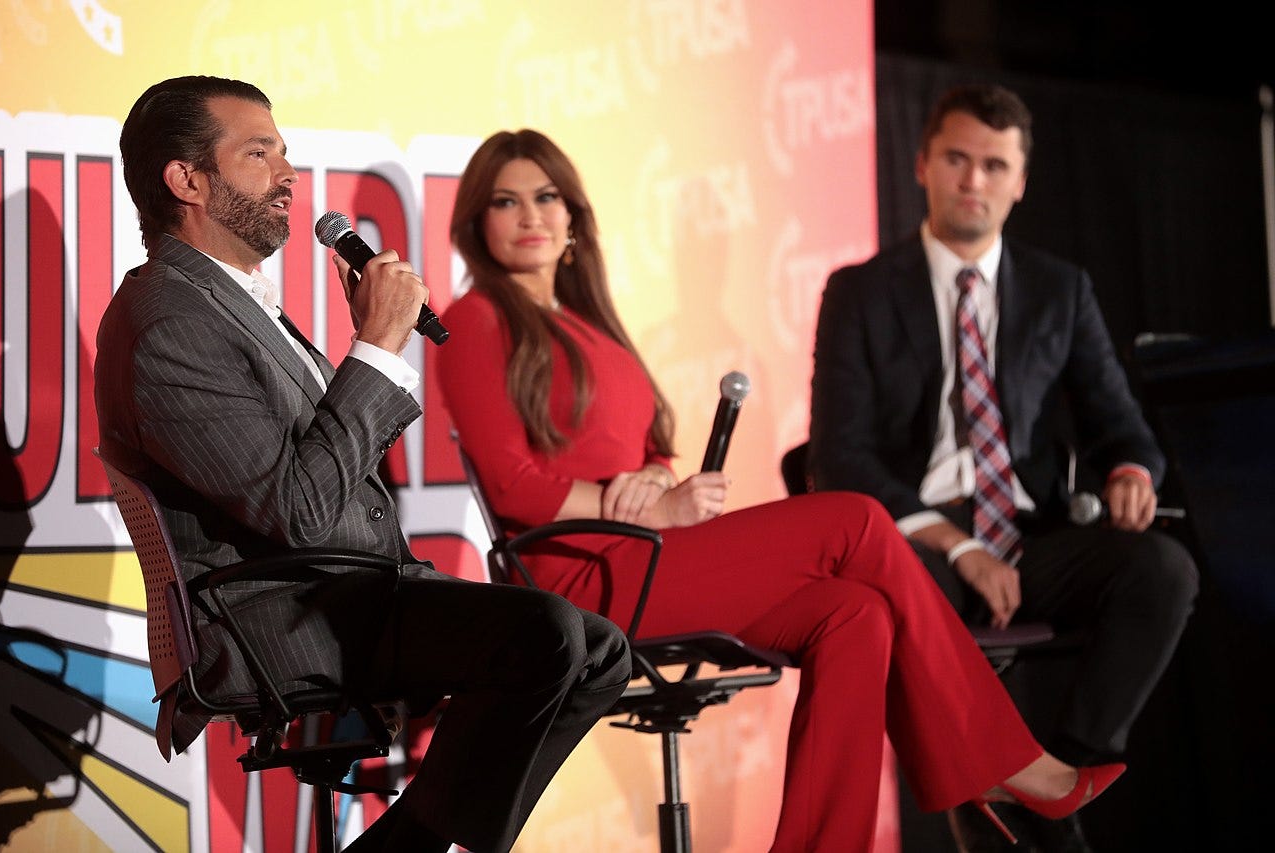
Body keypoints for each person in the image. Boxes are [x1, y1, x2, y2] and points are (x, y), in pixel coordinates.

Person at [434, 127, 1127, 853]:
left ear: (573, 215)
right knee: (856, 520)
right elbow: (514, 487)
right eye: (506, 202)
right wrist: (624, 501)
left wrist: (657, 480)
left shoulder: (590, 323)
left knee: (855, 614)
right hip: (583, 583)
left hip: (650, 559)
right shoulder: (475, 319)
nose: (531, 215)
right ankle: (1002, 758)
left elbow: (650, 449)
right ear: (479, 224)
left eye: (546, 196)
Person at [94, 76, 632, 853]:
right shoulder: (165, 321)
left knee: (602, 651)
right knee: (545, 632)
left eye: (283, 151)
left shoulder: (231, 301)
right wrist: (376, 348)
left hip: (352, 590)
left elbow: (318, 478)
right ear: (187, 181)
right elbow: (298, 509)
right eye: (257, 153)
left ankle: (405, 840)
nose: (288, 174)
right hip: (283, 616)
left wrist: (364, 350)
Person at [808, 83, 1198, 848]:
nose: (974, 180)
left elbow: (1122, 425)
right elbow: (838, 458)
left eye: (995, 165)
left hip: (1033, 534)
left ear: (1021, 181)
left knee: (1164, 570)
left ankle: (1051, 771)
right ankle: (1027, 795)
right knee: (910, 598)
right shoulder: (858, 292)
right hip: (926, 543)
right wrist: (960, 547)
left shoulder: (1062, 290)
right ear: (921, 164)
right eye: (957, 158)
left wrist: (1130, 472)